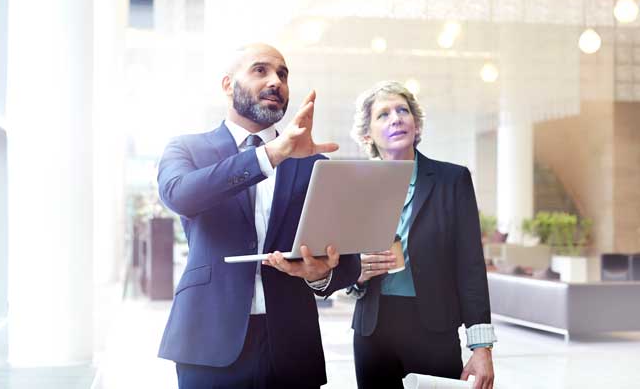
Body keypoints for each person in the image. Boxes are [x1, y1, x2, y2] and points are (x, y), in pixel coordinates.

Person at [157, 43, 361, 389]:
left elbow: (348, 264)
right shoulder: (187, 148)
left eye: (282, 74)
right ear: (227, 85)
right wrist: (271, 155)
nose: (276, 81)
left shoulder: (314, 166)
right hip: (208, 340)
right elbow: (180, 195)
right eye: (260, 70)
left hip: (290, 346)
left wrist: (319, 275)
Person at [347, 81, 496, 389]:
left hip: (434, 328)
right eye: (383, 114)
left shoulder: (452, 180)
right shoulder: (357, 186)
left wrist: (481, 348)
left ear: (415, 126)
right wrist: (355, 273)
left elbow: (470, 267)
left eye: (403, 110)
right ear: (367, 135)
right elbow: (342, 264)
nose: (396, 118)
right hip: (373, 331)